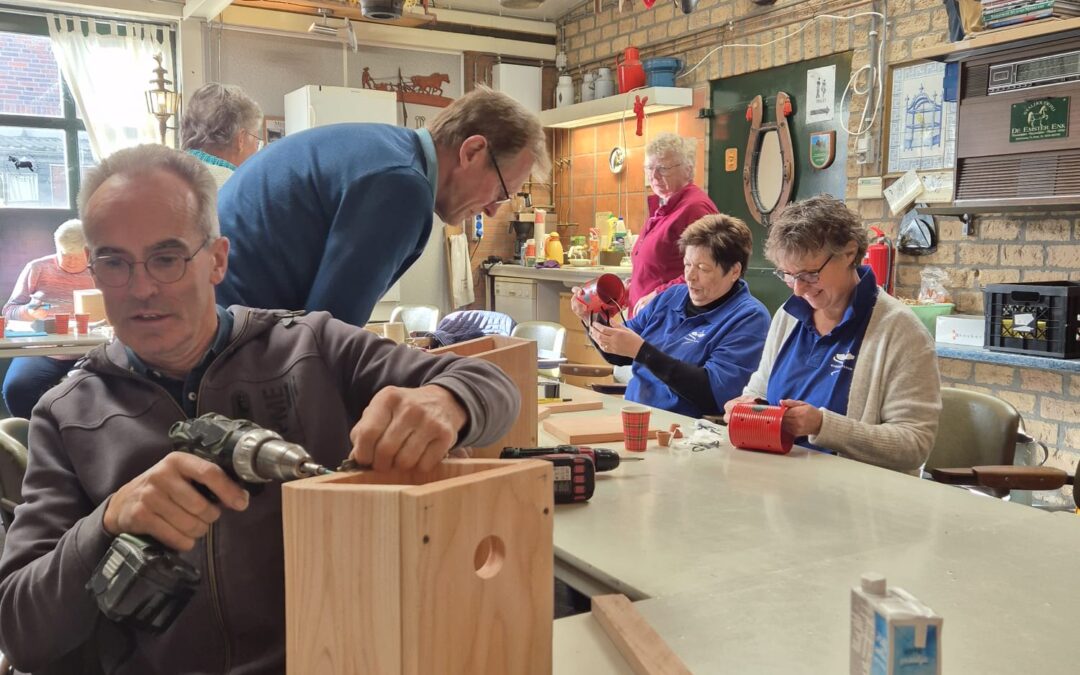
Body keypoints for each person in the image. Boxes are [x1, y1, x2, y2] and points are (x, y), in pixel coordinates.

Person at [0, 145, 519, 674]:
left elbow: (493, 385)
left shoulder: (311, 347)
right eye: (114, 262)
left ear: (217, 259)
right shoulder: (66, 414)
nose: (142, 288)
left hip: (334, 658)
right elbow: (21, 634)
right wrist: (108, 522)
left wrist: (447, 400)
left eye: (167, 257)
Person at [215, 85, 548, 327]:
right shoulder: (403, 187)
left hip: (215, 317)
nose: (492, 210)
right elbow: (327, 335)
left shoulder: (390, 150)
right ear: (472, 151)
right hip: (223, 337)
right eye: (502, 192)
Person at [723, 195, 941, 474]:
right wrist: (748, 407)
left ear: (849, 253)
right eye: (788, 275)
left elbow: (914, 445)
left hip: (858, 499)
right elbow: (758, 391)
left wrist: (823, 426)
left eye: (810, 274)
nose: (798, 290)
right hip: (779, 484)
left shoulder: (900, 332)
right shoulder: (789, 316)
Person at [572, 214, 770, 418]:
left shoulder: (749, 318)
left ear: (734, 271)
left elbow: (713, 394)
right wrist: (591, 317)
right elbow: (617, 354)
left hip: (688, 432)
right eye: (687, 265)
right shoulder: (672, 296)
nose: (690, 276)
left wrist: (642, 352)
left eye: (703, 268)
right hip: (635, 416)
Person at [1, 219, 96, 418]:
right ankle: (32, 436)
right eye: (64, 254)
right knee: (15, 389)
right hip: (44, 349)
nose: (69, 261)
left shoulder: (99, 270)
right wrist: (28, 312)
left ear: (88, 250)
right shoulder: (37, 268)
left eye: (76, 256)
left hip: (89, 349)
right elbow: (10, 309)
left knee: (95, 390)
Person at [628, 133, 718, 317]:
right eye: (649, 168)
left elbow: (708, 269)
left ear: (688, 169)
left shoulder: (695, 208)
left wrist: (659, 294)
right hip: (648, 320)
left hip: (672, 320)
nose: (654, 176)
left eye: (662, 168)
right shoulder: (662, 207)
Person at [179, 82, 263, 188]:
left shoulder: (166, 174)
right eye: (256, 140)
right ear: (241, 139)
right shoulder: (242, 190)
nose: (256, 150)